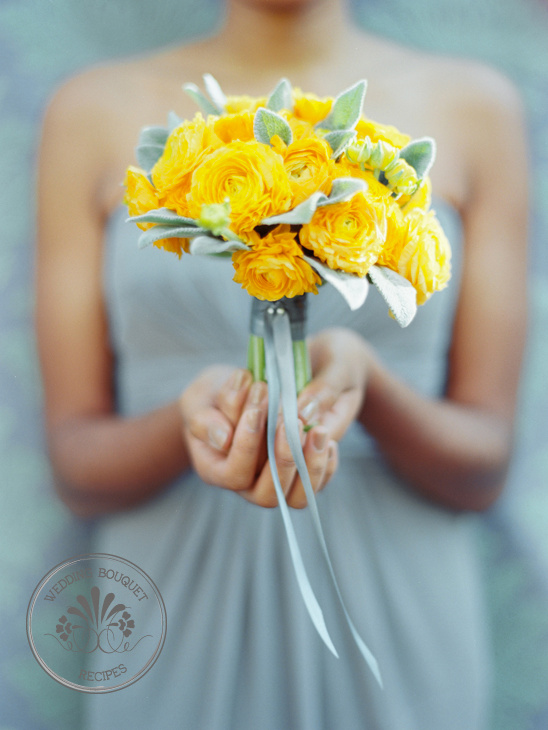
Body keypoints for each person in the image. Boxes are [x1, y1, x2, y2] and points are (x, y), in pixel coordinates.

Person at [35, 0, 528, 727]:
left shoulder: (474, 106)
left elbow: (484, 467)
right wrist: (188, 420)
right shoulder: (91, 110)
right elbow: (77, 468)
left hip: (397, 619)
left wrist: (370, 380)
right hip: (171, 607)